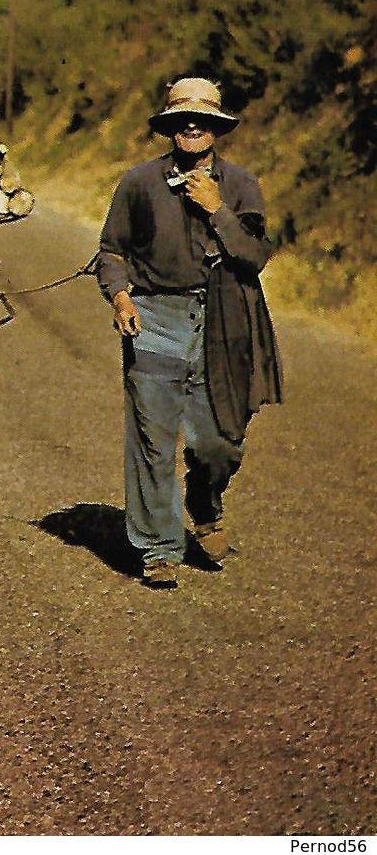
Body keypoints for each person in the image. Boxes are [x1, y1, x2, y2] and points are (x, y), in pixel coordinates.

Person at [96, 77, 282, 589]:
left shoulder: (241, 185)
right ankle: (158, 546)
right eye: (182, 120)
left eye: (202, 121)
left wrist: (216, 209)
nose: (192, 127)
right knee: (153, 440)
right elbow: (111, 252)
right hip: (154, 316)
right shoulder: (139, 183)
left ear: (217, 129)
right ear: (169, 128)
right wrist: (119, 296)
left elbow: (255, 257)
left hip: (224, 323)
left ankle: (205, 501)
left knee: (220, 442)